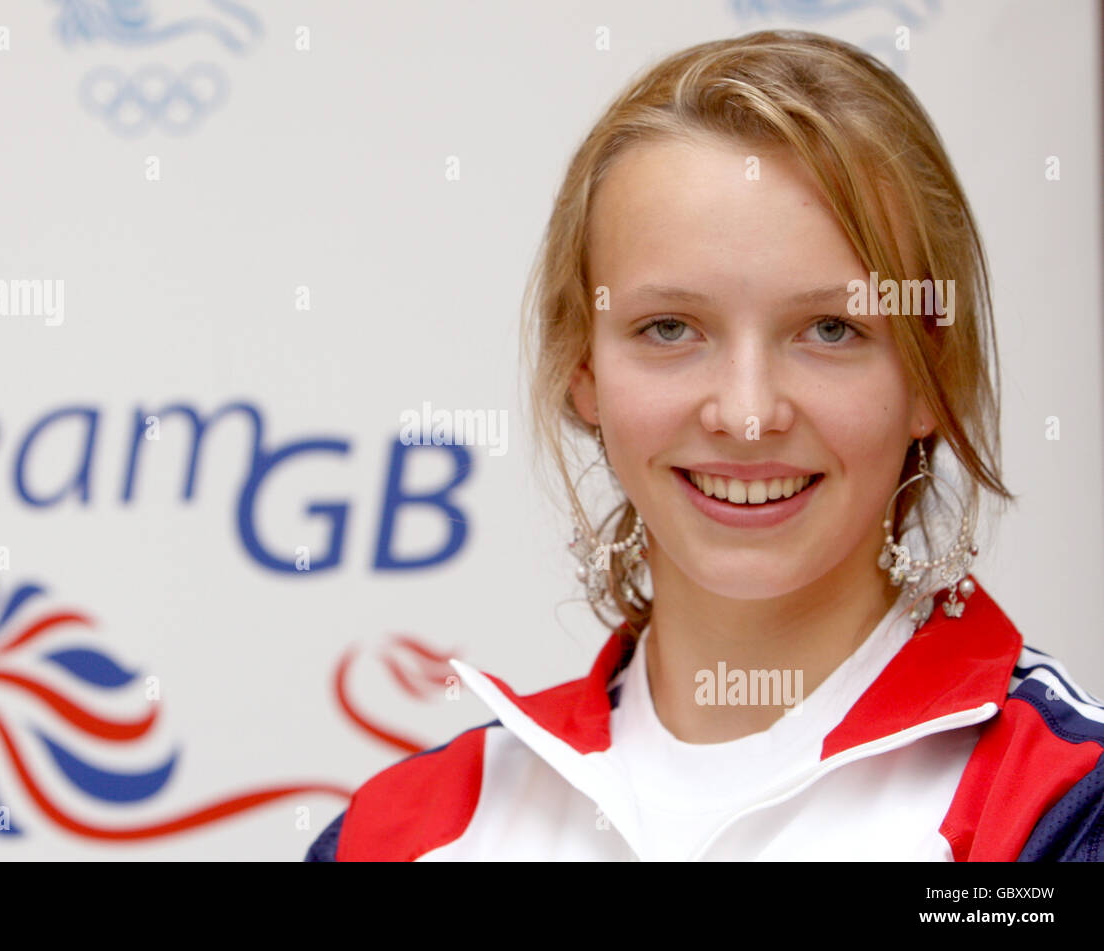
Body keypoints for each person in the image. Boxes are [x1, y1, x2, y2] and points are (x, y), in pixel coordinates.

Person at [305, 29, 1104, 861]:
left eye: (830, 329)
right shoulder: (400, 830)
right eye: (671, 328)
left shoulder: (1063, 806)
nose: (748, 413)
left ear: (931, 376)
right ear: (581, 366)